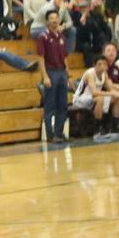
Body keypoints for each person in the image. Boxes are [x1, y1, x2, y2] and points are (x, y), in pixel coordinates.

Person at [35, 9, 70, 143]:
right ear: (47, 21)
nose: (54, 20)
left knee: (62, 105)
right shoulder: (42, 36)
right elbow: (40, 57)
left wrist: (68, 75)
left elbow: (65, 57)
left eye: (56, 18)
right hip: (51, 72)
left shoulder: (62, 37)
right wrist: (45, 76)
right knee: (50, 104)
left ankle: (59, 133)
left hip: (62, 72)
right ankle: (50, 135)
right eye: (51, 18)